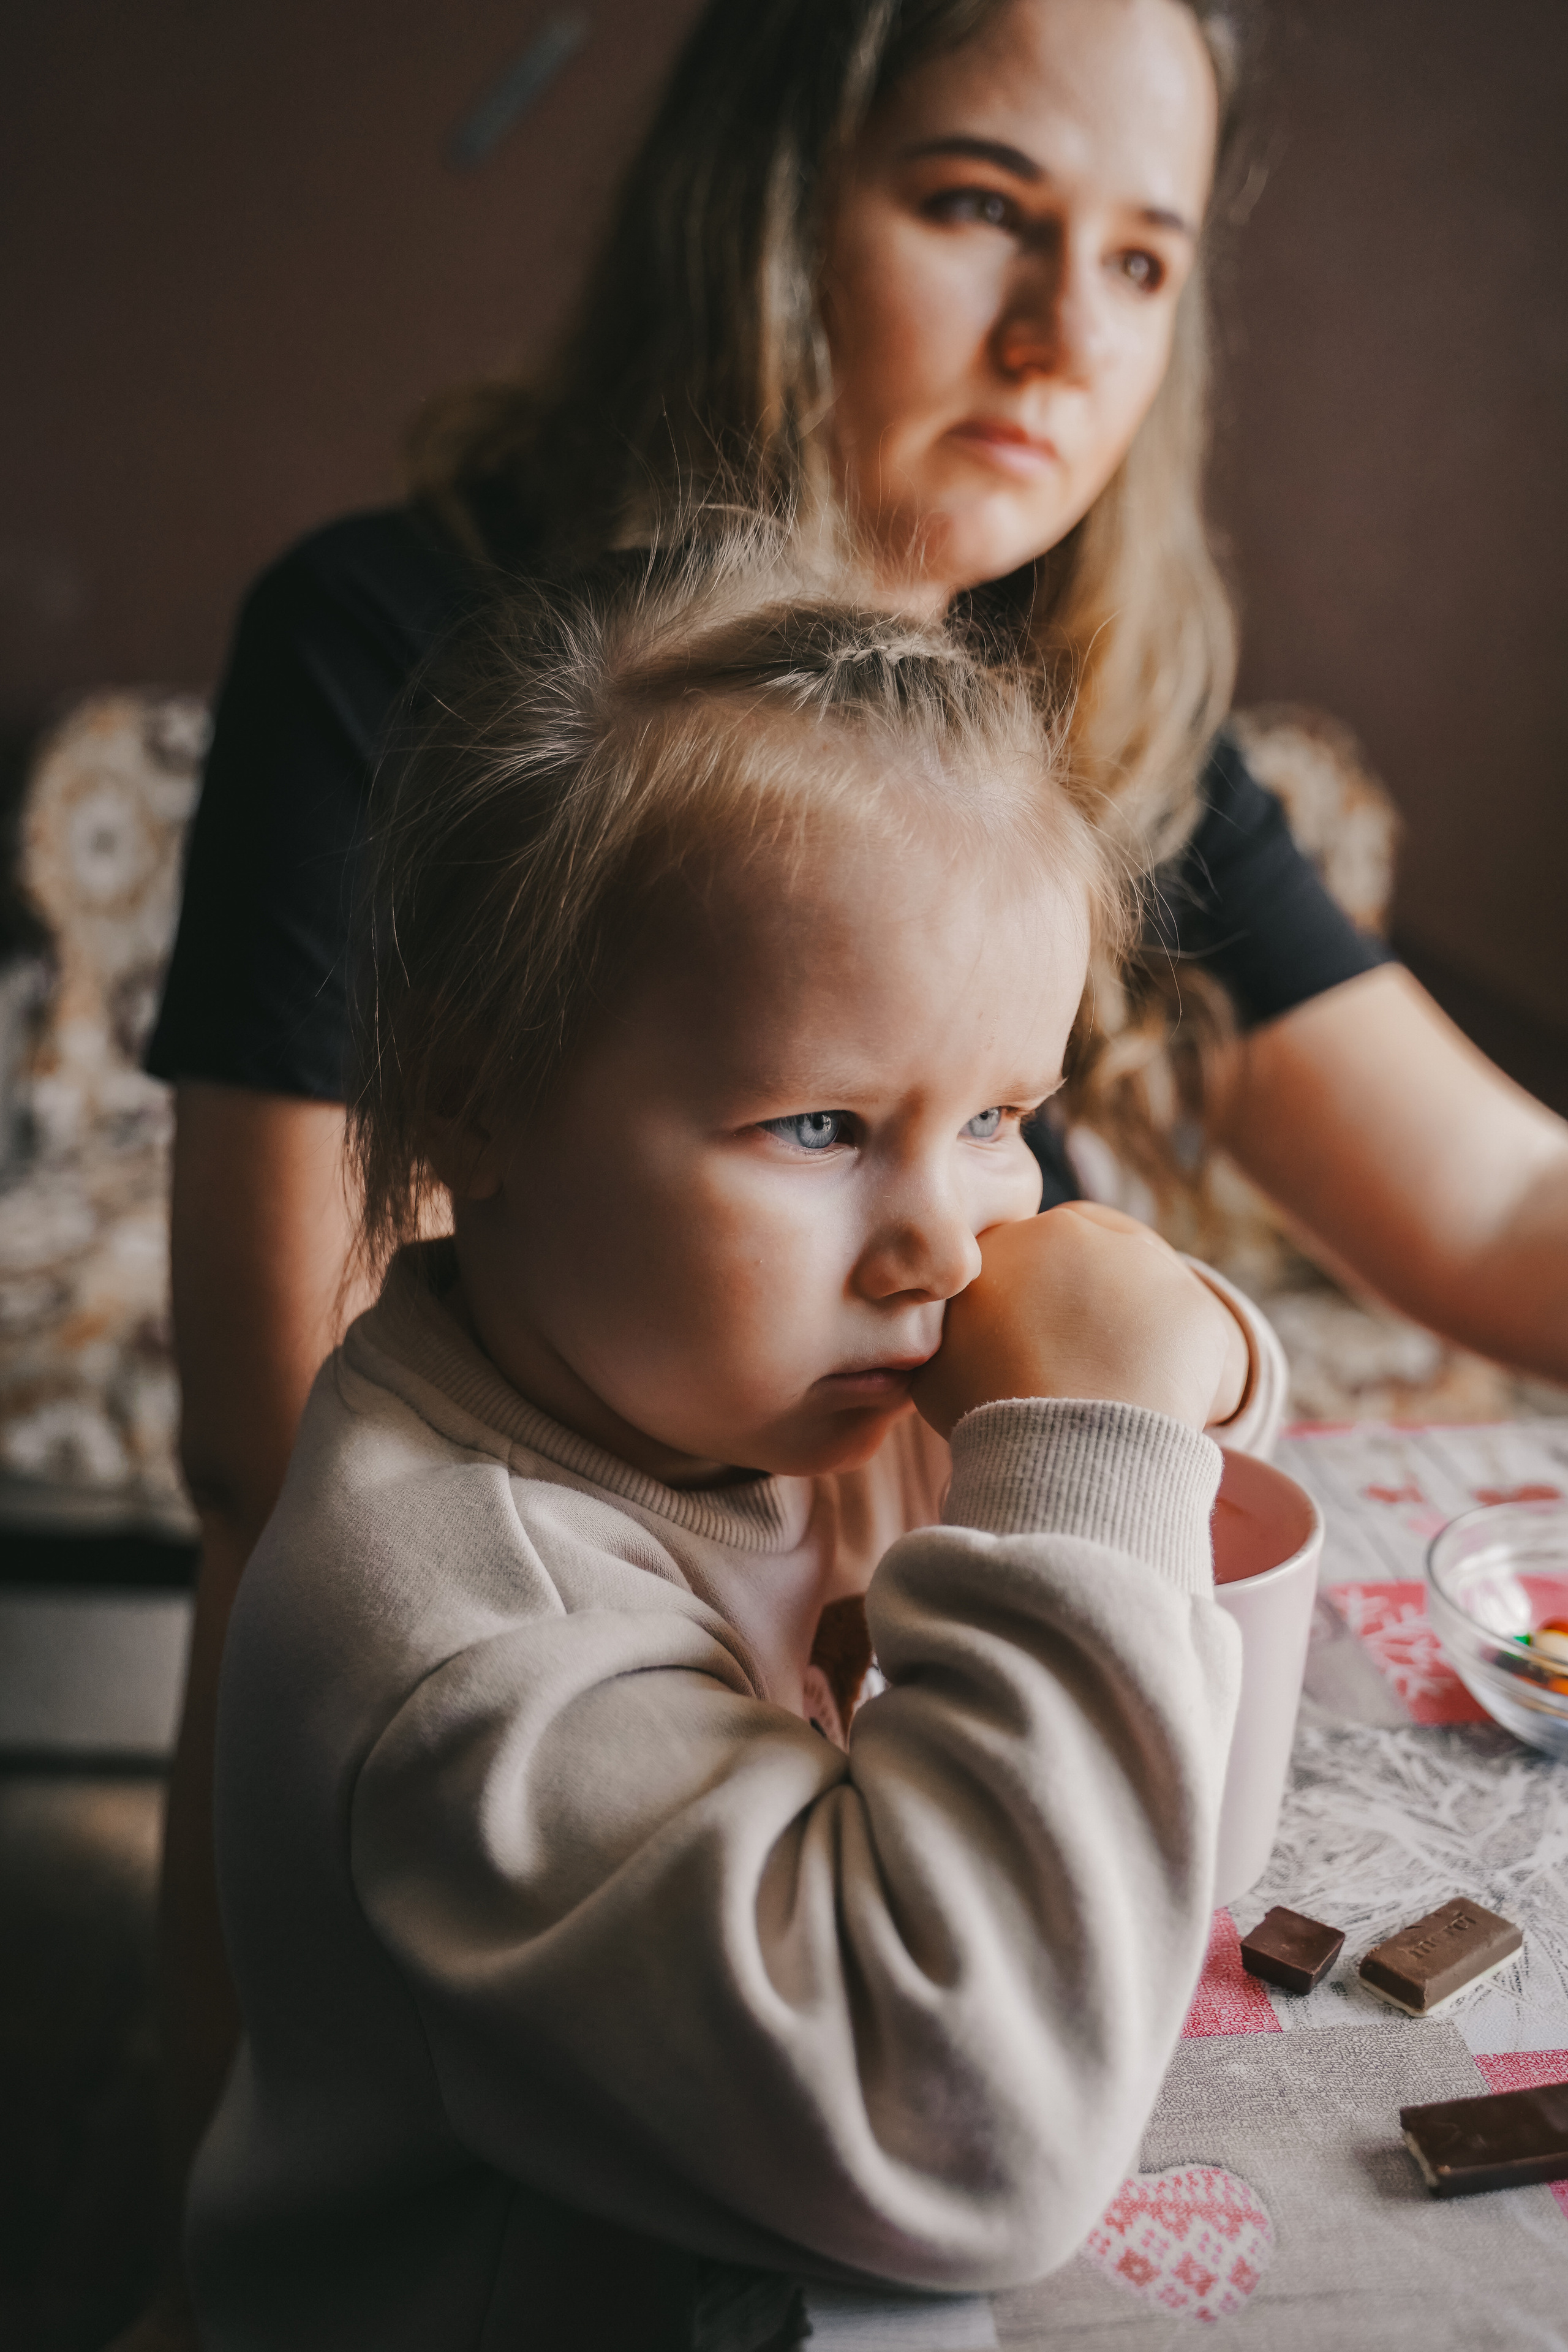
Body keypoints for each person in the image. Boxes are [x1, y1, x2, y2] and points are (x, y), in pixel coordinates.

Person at [130, 0, 1568, 2340]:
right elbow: (271, 1432)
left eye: (1142, 258)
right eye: (985, 206)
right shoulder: (450, 683)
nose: (1064, 336)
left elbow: (1479, 1208)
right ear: (771, 204)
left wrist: (1166, 1364)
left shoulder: (1061, 741)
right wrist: (1078, 1438)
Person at [189, 551, 1276, 2350]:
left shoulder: (755, 1367)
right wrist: (1087, 1443)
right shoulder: (465, 1649)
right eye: (822, 1126)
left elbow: (1184, 1412)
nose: (944, 1247)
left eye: (1001, 1115)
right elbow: (973, 2136)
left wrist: (1181, 1362)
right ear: (475, 1095)